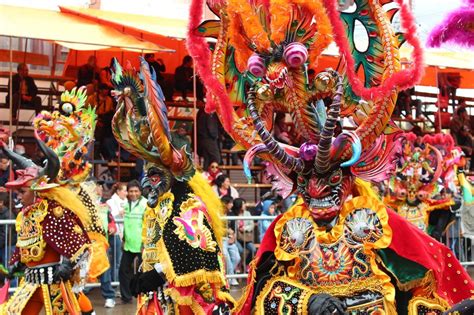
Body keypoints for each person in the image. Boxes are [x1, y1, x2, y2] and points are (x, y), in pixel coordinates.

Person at [112, 58, 234, 314]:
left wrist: (155, 275)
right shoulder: (157, 205)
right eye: (148, 175)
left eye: (155, 175)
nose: (147, 183)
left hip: (181, 300)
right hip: (155, 299)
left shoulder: (188, 205)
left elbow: (193, 251)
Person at [0, 138, 93, 314]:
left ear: (37, 190)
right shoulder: (25, 215)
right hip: (31, 281)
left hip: (54, 281)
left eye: (22, 192)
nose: (19, 197)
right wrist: (15, 267)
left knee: (72, 305)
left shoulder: (53, 211)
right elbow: (26, 246)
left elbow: (77, 243)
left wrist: (66, 265)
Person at [119, 180, 147, 304]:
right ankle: (126, 296)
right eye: (131, 191)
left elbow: (148, 225)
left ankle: (145, 295)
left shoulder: (146, 204)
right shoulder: (126, 205)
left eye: (136, 191)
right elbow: (126, 224)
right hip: (129, 244)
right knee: (123, 270)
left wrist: (145, 243)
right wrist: (124, 239)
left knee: (143, 272)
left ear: (140, 192)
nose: (133, 193)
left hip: (142, 244)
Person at [106, 182, 127, 280]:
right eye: (124, 191)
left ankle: (117, 282)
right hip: (115, 234)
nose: (126, 193)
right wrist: (120, 213)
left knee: (122, 260)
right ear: (118, 192)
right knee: (116, 261)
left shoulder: (127, 201)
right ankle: (115, 283)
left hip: (125, 234)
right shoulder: (110, 202)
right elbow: (109, 217)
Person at [221, 195, 241, 286]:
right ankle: (231, 279)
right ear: (225, 204)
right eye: (230, 203)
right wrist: (226, 230)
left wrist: (233, 237)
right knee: (226, 257)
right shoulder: (218, 213)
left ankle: (228, 276)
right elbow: (215, 227)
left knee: (237, 257)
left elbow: (234, 229)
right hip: (221, 239)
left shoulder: (231, 214)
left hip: (230, 239)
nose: (232, 205)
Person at [95, 83, 117, 160]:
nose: (106, 91)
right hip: (95, 119)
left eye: (107, 89)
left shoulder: (109, 99)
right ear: (100, 90)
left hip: (106, 121)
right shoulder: (93, 98)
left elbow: (110, 111)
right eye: (105, 89)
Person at [233, 198, 256, 266]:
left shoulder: (247, 213)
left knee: (253, 249)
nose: (245, 205)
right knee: (240, 250)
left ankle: (245, 264)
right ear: (239, 205)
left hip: (246, 237)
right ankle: (238, 265)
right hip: (237, 238)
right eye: (243, 204)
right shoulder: (233, 214)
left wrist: (245, 228)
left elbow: (251, 224)